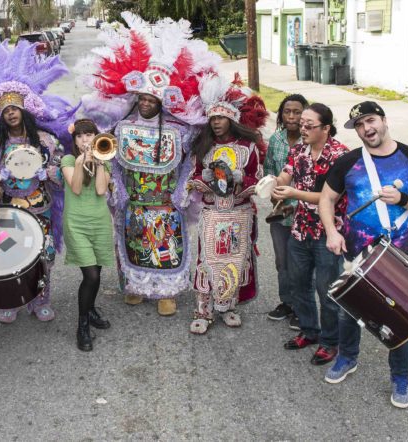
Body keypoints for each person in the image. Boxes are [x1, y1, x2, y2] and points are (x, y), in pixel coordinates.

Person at [76, 13, 220, 317]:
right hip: (135, 202)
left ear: (161, 102)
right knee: (136, 244)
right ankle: (137, 288)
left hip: (165, 202)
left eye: (151, 100)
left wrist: (182, 190)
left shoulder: (178, 130)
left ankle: (166, 292)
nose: (145, 103)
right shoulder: (122, 126)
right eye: (141, 98)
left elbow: (187, 162)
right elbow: (111, 158)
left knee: (167, 247)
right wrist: (118, 188)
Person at [320, 101, 408, 408]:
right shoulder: (348, 162)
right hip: (357, 252)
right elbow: (326, 199)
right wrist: (332, 233)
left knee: (399, 317)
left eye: (370, 121)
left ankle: (401, 376)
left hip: (399, 254)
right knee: (350, 309)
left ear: (384, 120)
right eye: (359, 125)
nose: (366, 129)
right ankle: (348, 357)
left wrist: (403, 199)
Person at [0, 40, 77, 324]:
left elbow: (61, 173)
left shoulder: (45, 141)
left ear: (24, 110)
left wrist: (48, 173)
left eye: (15, 108)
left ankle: (40, 299)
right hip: (8, 209)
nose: (10, 112)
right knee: (8, 253)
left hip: (39, 207)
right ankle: (11, 300)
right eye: (5, 109)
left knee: (43, 254)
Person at [188, 74, 268, 334]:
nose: (216, 123)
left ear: (232, 119)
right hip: (212, 213)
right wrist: (205, 179)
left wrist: (236, 178)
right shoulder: (204, 146)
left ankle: (228, 306)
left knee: (234, 259)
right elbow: (194, 175)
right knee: (207, 259)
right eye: (212, 119)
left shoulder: (248, 146)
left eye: (220, 118)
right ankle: (203, 309)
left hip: (239, 213)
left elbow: (257, 179)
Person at [270, 103, 348, 365]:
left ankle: (329, 342)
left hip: (328, 232)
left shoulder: (340, 156)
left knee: (327, 291)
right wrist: (275, 185)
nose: (302, 128)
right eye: (301, 124)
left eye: (309, 125)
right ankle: (309, 330)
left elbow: (330, 198)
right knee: (298, 284)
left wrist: (294, 194)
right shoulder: (298, 151)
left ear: (326, 128)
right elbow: (286, 175)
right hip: (300, 229)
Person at [61, 119, 113, 351]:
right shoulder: (68, 160)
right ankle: (82, 326)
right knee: (90, 275)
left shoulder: (106, 159)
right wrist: (83, 161)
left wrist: (100, 162)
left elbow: (101, 190)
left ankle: (90, 310)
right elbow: (76, 188)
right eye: (80, 136)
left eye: (89, 135)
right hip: (76, 223)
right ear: (74, 140)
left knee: (97, 271)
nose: (85, 140)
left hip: (100, 222)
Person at [264, 94, 308, 329]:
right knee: (282, 261)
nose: (292, 116)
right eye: (287, 111)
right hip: (280, 215)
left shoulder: (310, 140)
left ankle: (303, 309)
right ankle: (287, 303)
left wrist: (295, 201)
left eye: (297, 111)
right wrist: (274, 197)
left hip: (306, 214)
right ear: (281, 114)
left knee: (301, 263)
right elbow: (270, 173)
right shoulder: (276, 140)